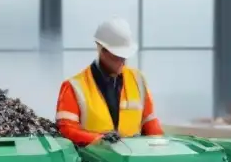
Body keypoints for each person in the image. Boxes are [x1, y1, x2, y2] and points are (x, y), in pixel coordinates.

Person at [55, 17, 163, 145]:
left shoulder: (138, 79)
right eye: (117, 56)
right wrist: (99, 140)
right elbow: (66, 130)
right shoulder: (74, 86)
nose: (122, 61)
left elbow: (149, 122)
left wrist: (159, 145)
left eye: (125, 56)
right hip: (94, 161)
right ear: (102, 50)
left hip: (133, 160)